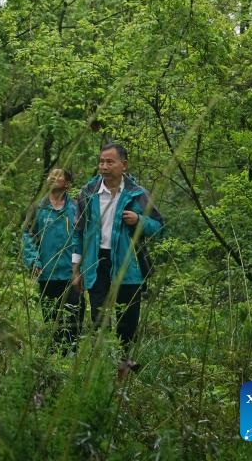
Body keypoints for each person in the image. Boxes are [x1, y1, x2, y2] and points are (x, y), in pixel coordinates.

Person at [71, 141, 163, 367]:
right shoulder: (88, 192)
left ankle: (123, 362)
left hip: (128, 263)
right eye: (101, 161)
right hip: (96, 262)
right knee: (99, 317)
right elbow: (78, 232)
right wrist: (76, 268)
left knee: (128, 318)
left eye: (109, 162)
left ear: (123, 165)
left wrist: (139, 220)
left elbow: (159, 227)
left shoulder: (138, 194)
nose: (103, 166)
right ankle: (102, 364)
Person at [22, 167, 83, 351]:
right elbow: (27, 235)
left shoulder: (75, 208)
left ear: (67, 183)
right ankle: (53, 362)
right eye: (50, 175)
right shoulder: (38, 208)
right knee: (51, 322)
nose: (52, 177)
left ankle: (71, 359)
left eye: (58, 175)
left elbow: (82, 237)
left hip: (71, 274)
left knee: (73, 322)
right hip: (46, 273)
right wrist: (33, 261)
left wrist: (80, 269)